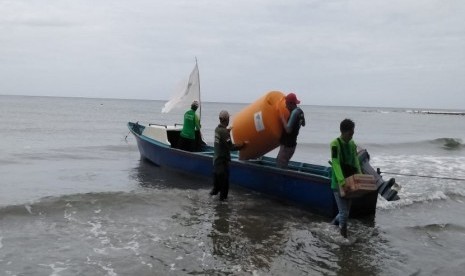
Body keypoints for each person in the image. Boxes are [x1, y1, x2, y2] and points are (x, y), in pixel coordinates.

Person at [330, 118, 362, 238]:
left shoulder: (352, 144)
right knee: (344, 212)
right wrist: (341, 181)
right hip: (338, 182)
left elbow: (355, 161)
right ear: (343, 132)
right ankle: (343, 238)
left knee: (345, 212)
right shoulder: (334, 144)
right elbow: (335, 163)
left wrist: (359, 176)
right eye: (350, 133)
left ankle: (333, 225)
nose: (351, 136)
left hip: (350, 181)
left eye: (353, 133)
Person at [210, 110, 245, 201]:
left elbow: (223, 137)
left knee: (215, 190)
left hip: (216, 163)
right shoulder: (224, 132)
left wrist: (228, 131)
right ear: (227, 119)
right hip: (222, 164)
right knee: (224, 191)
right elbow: (231, 147)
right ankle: (223, 212)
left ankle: (212, 208)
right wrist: (243, 145)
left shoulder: (217, 129)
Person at [276, 93, 306, 168]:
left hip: (287, 146)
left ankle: (281, 179)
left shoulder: (294, 113)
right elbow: (303, 124)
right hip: (292, 145)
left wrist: (283, 119)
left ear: (291, 103)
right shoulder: (300, 112)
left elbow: (288, 130)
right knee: (283, 163)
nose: (285, 106)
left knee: (280, 165)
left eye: (286, 104)